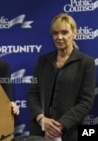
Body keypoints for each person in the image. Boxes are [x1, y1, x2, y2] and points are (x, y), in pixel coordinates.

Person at [27, 13, 96, 141]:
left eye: (64, 32)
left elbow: (86, 101)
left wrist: (60, 125)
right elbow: (33, 93)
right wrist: (41, 119)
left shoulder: (86, 63)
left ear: (74, 33)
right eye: (55, 33)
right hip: (39, 132)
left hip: (69, 133)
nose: (59, 37)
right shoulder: (43, 61)